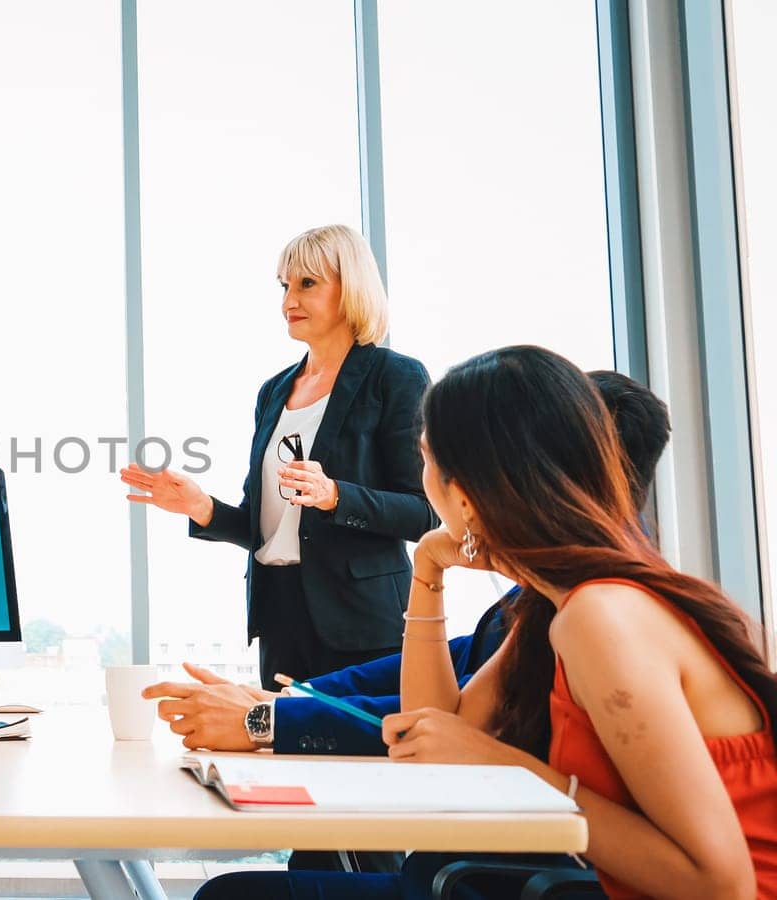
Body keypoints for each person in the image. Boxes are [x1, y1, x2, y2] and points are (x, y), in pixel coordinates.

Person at [194, 346, 777, 899]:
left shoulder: (602, 616)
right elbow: (436, 733)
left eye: (424, 460)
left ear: (467, 497)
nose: (420, 481)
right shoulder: (554, 606)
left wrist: (510, 765)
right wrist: (427, 570)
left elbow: (720, 883)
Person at [121, 224, 437, 687]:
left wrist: (335, 495)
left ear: (351, 288)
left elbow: (425, 513)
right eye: (284, 285)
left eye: (307, 283)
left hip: (363, 624)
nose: (289, 299)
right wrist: (201, 508)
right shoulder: (274, 391)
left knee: (360, 754)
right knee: (280, 753)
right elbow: (264, 526)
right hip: (279, 617)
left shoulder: (396, 377)